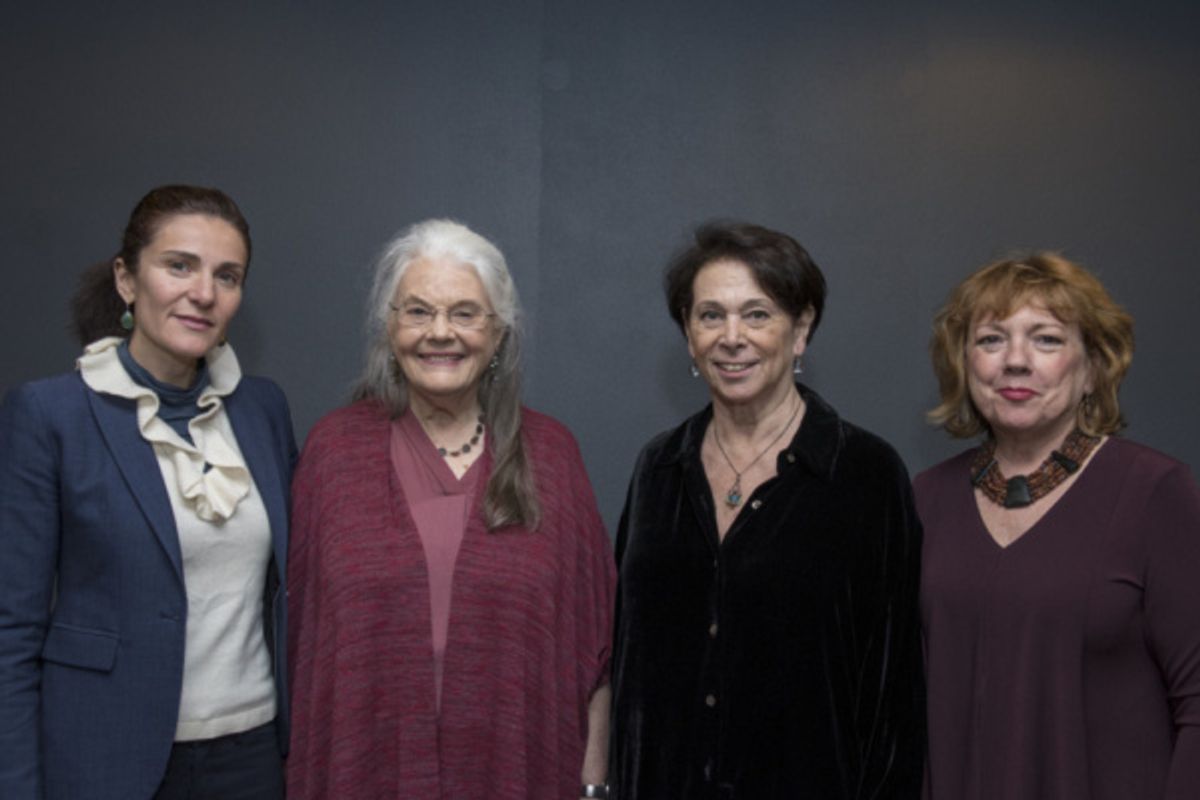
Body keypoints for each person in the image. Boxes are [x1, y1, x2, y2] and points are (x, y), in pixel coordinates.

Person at [286, 219, 615, 800]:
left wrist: (592, 784)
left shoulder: (553, 454)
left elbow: (596, 645)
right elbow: (305, 648)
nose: (440, 333)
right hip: (365, 774)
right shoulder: (333, 452)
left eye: (465, 313)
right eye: (418, 311)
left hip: (513, 775)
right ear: (390, 327)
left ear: (499, 332)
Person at [609, 222, 925, 798]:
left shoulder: (865, 474)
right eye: (710, 315)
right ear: (688, 335)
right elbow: (627, 664)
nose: (732, 337)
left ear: (800, 330)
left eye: (757, 314)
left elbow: (894, 693)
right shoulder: (658, 468)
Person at [0, 185, 296, 799]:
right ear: (126, 279)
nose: (204, 293)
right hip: (104, 758)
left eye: (227, 275)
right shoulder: (51, 415)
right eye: (179, 265)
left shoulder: (262, 409)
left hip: (253, 755)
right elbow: (12, 632)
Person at [918, 252, 1200, 800]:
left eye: (1046, 339)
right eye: (991, 340)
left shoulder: (1153, 493)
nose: (1015, 361)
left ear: (1093, 367)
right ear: (963, 363)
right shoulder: (926, 499)